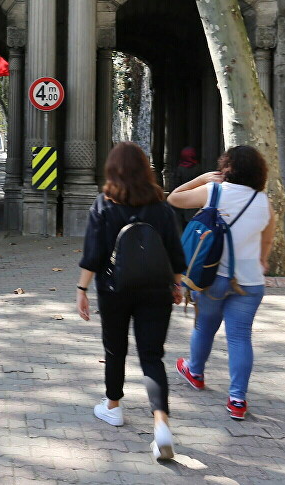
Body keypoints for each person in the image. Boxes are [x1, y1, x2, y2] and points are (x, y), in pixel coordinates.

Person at [76, 142, 186, 462]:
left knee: (115, 348)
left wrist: (81, 289)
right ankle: (161, 423)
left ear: (112, 169)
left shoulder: (104, 205)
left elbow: (93, 255)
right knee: (152, 356)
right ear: (145, 169)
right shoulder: (161, 207)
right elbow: (176, 254)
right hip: (156, 291)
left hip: (114, 289)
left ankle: (113, 406)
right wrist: (177, 285)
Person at [166, 145, 274, 421]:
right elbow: (266, 242)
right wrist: (261, 260)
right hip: (249, 282)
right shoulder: (264, 202)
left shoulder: (215, 191)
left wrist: (201, 178)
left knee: (205, 326)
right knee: (240, 337)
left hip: (213, 279)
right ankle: (237, 399)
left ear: (227, 167)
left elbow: (174, 199)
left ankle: (195, 371)